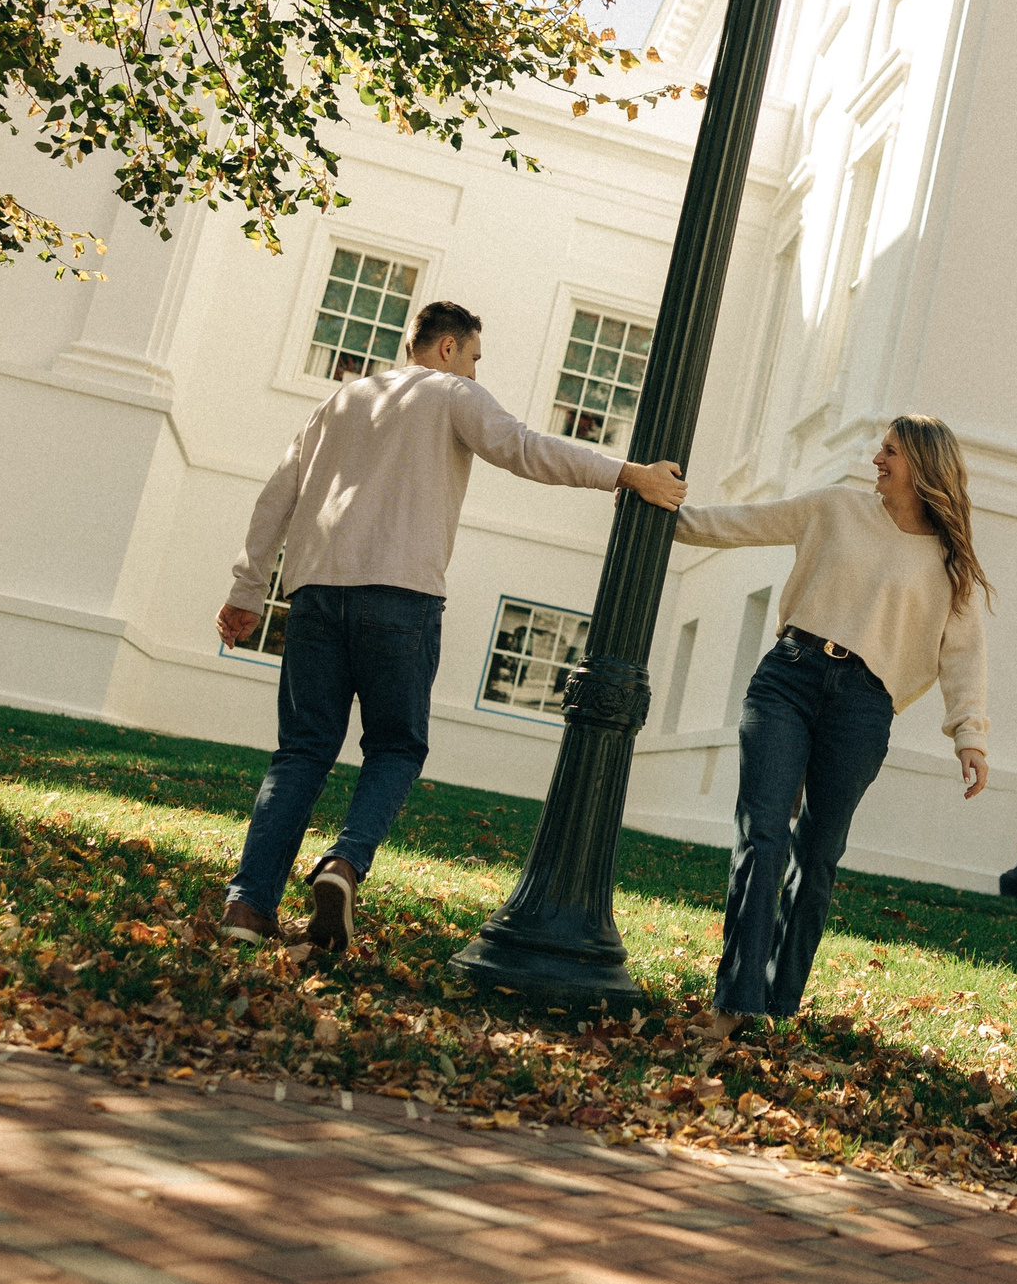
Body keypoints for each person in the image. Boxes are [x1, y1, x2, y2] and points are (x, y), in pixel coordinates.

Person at [214, 300, 685, 954]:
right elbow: (524, 448)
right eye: (473, 356)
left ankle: (247, 906)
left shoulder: (343, 399)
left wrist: (248, 588)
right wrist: (627, 473)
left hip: (316, 592)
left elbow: (278, 495)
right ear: (446, 348)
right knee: (397, 747)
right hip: (400, 599)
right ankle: (345, 863)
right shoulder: (451, 393)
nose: (472, 368)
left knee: (301, 751)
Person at [675, 414, 993, 1027]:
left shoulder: (948, 563)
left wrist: (970, 736)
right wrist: (660, 514)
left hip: (863, 707)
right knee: (763, 834)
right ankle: (736, 1001)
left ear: (923, 465)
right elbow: (742, 524)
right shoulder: (835, 508)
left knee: (817, 855)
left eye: (890, 451)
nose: (877, 458)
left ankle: (778, 1005)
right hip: (788, 679)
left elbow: (964, 654)